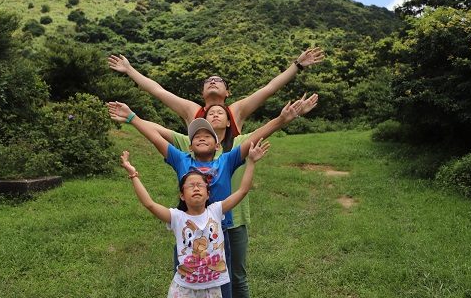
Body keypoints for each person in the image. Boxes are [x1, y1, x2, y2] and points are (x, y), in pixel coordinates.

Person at [108, 94, 318, 298]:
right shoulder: (181, 160)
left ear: (217, 145)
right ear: (190, 146)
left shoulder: (226, 161)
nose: (201, 137)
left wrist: (282, 119)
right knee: (186, 280)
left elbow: (254, 139)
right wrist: (130, 116)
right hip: (187, 231)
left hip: (218, 232)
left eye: (207, 136)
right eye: (196, 136)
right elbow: (155, 137)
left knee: (222, 284)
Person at [119, 137, 268, 298]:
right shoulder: (177, 217)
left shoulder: (216, 211)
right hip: (183, 289)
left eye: (200, 185)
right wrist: (133, 174)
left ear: (208, 193)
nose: (196, 188)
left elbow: (242, 191)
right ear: (182, 195)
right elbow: (149, 204)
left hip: (213, 288)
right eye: (190, 185)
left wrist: (251, 161)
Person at [107, 47, 324, 136]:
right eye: (208, 81)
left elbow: (270, 88)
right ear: (202, 94)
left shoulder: (236, 111)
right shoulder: (192, 110)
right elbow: (157, 90)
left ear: (227, 92)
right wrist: (129, 69)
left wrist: (297, 65)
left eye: (218, 80)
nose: (212, 82)